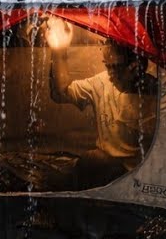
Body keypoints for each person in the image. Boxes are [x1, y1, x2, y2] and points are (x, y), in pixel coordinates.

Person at [45, 21, 159, 187]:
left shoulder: (159, 99)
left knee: (94, 160)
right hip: (102, 169)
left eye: (115, 68)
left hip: (138, 176)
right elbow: (60, 93)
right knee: (92, 160)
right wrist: (59, 50)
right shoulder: (103, 82)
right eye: (107, 66)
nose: (110, 74)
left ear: (135, 67)